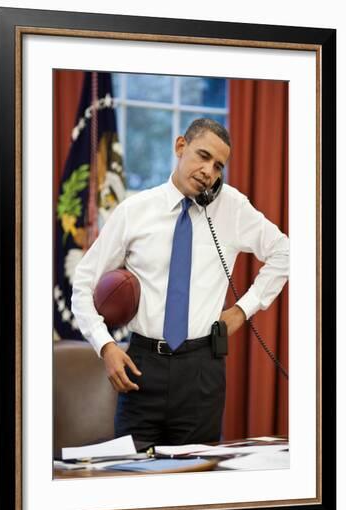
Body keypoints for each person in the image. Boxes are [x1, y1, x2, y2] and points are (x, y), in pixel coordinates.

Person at [71, 118, 289, 446]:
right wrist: (106, 346)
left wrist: (243, 309)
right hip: (141, 367)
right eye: (203, 156)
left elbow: (285, 252)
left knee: (195, 484)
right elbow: (83, 284)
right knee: (130, 482)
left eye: (218, 166)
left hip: (202, 372)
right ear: (180, 146)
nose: (209, 172)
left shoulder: (232, 207)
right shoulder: (134, 211)